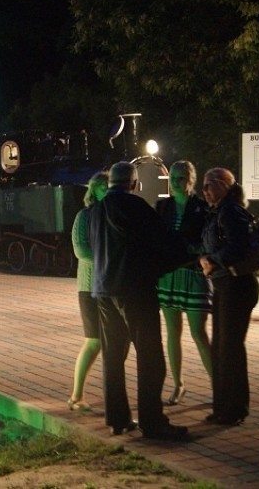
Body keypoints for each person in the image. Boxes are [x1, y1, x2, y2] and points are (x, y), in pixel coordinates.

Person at [89, 161, 190, 440]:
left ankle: (117, 418)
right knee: (151, 357)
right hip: (133, 289)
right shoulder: (135, 206)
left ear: (110, 183)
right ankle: (152, 421)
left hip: (103, 291)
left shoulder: (95, 211)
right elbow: (163, 241)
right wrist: (187, 255)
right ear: (133, 184)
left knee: (113, 356)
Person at [199, 168, 259, 426]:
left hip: (237, 285)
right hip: (225, 285)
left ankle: (234, 409)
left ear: (224, 185)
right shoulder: (219, 211)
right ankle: (224, 407)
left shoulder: (230, 211)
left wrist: (213, 261)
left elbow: (238, 245)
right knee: (222, 349)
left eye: (209, 185)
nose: (205, 191)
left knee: (230, 349)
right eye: (203, 186)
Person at [156, 161, 212, 406]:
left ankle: (218, 384)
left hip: (193, 273)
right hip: (169, 275)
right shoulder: (163, 206)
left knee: (199, 332)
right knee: (172, 332)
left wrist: (197, 249)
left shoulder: (202, 207)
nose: (176, 182)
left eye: (181, 178)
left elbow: (208, 239)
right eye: (173, 177)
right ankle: (178, 384)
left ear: (191, 180)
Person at [67, 170, 108, 412]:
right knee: (93, 341)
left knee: (109, 343)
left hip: (110, 287)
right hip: (90, 287)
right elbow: (81, 250)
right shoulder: (84, 217)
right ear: (94, 190)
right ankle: (76, 395)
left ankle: (101, 392)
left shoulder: (112, 215)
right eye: (104, 186)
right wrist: (110, 258)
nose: (109, 189)